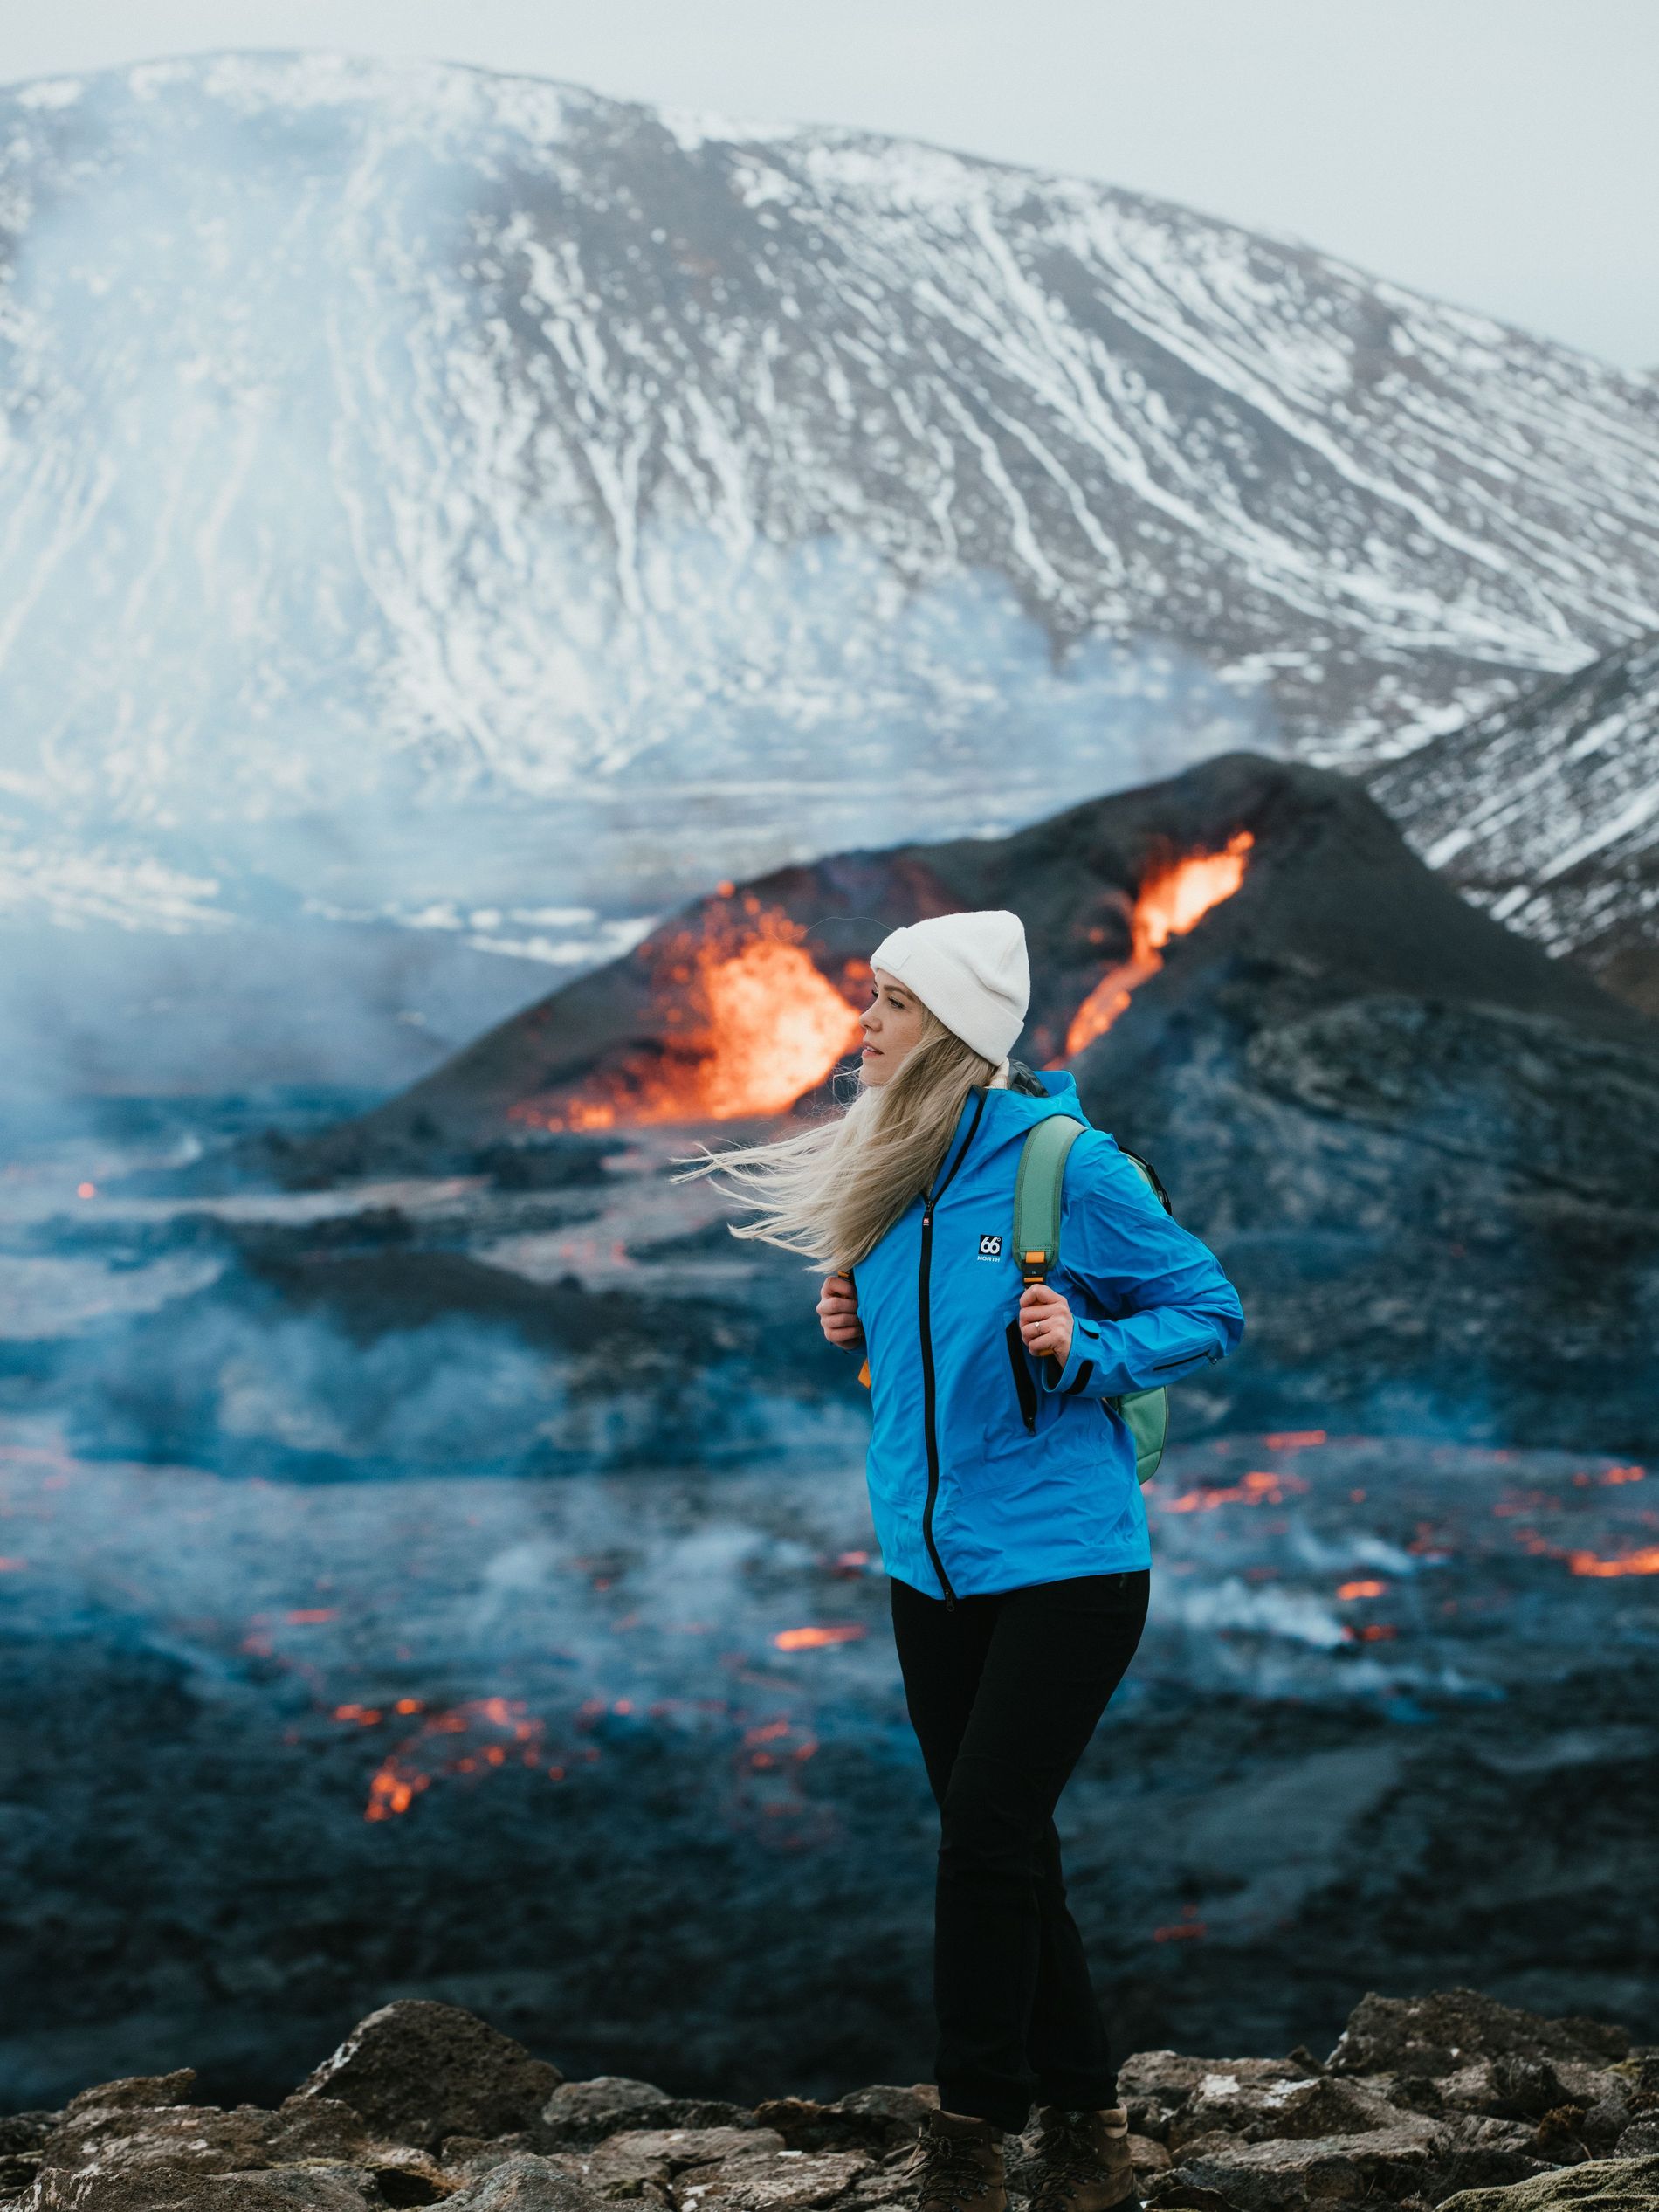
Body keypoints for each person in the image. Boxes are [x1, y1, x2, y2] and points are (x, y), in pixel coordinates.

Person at [675, 909, 1244, 2212]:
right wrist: (850, 1312)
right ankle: (1089, 2130)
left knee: (981, 1840)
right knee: (1009, 1846)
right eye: (870, 998)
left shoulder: (1067, 1166)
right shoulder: (889, 1165)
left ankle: (972, 2137)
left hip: (1068, 1567)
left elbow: (1210, 1308)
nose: (863, 1024)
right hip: (928, 1571)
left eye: (892, 1003)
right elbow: (919, 1360)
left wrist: (1091, 1349)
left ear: (954, 1030)